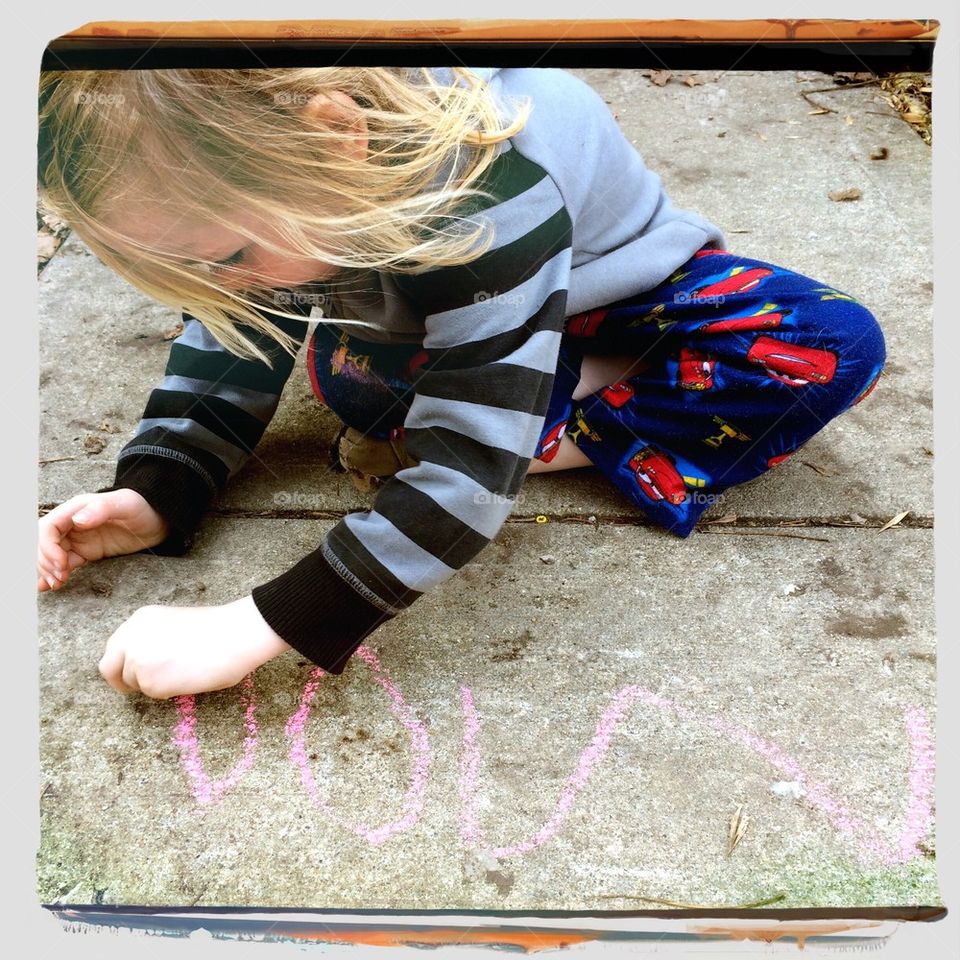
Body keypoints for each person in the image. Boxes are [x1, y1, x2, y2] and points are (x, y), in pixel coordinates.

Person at [36, 66, 886, 700]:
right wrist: (161, 484)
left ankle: (565, 428)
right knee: (350, 370)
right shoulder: (284, 190)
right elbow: (237, 324)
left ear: (337, 136)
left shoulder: (491, 182)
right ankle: (537, 401)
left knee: (826, 342)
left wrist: (257, 623)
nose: (225, 282)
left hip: (623, 294)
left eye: (226, 258)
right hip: (440, 302)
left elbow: (464, 478)